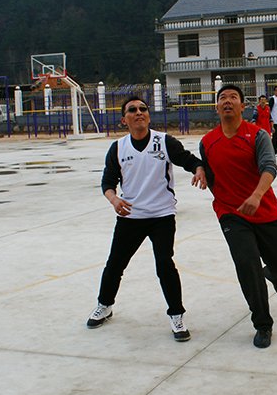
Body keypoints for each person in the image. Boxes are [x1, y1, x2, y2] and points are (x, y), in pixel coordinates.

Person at [86, 96, 206, 341]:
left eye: (143, 109)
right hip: (131, 216)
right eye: (132, 110)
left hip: (162, 215)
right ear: (124, 120)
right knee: (115, 264)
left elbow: (189, 160)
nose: (139, 112)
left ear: (149, 116)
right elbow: (107, 183)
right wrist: (114, 200)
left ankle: (176, 315)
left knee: (164, 264)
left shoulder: (164, 142)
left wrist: (199, 169)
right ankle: (104, 305)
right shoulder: (118, 148)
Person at [200, 84, 277, 349]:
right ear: (217, 107)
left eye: (233, 97)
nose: (227, 101)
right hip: (231, 214)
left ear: (242, 106)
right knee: (247, 265)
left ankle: (275, 273)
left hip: (264, 210)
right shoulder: (207, 142)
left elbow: (269, 166)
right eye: (222, 98)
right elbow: (208, 170)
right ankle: (262, 324)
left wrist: (256, 195)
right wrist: (199, 170)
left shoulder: (257, 135)